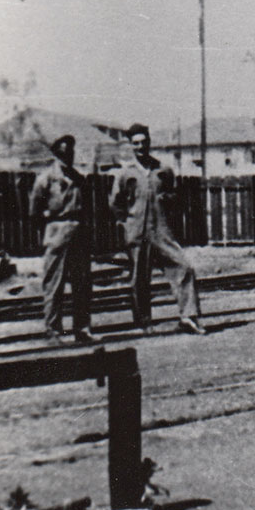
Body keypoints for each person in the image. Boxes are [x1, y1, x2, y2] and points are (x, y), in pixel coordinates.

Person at [109, 123, 206, 335]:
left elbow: (175, 196)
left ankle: (188, 316)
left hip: (161, 230)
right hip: (137, 231)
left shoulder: (163, 170)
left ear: (150, 142)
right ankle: (143, 323)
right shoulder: (125, 174)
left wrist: (167, 200)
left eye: (144, 142)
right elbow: (116, 203)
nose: (140, 147)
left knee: (184, 267)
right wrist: (126, 223)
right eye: (136, 143)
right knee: (139, 278)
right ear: (130, 146)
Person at [29, 135, 95, 345]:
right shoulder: (46, 178)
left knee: (82, 283)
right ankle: (53, 331)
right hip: (56, 232)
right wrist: (49, 227)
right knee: (54, 284)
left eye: (71, 153)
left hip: (78, 232)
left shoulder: (80, 178)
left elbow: (87, 208)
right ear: (57, 154)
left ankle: (82, 329)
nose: (69, 157)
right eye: (64, 153)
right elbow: (34, 211)